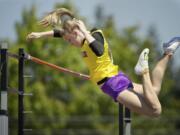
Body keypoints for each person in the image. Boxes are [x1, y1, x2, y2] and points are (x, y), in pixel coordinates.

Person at [26, 8, 180, 117]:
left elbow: (99, 51)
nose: (70, 43)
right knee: (153, 90)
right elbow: (59, 33)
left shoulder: (93, 36)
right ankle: (168, 53)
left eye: (70, 40)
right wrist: (41, 34)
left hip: (113, 84)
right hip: (117, 77)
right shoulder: (85, 38)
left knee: (155, 111)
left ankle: (143, 71)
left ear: (76, 32)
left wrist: (85, 32)